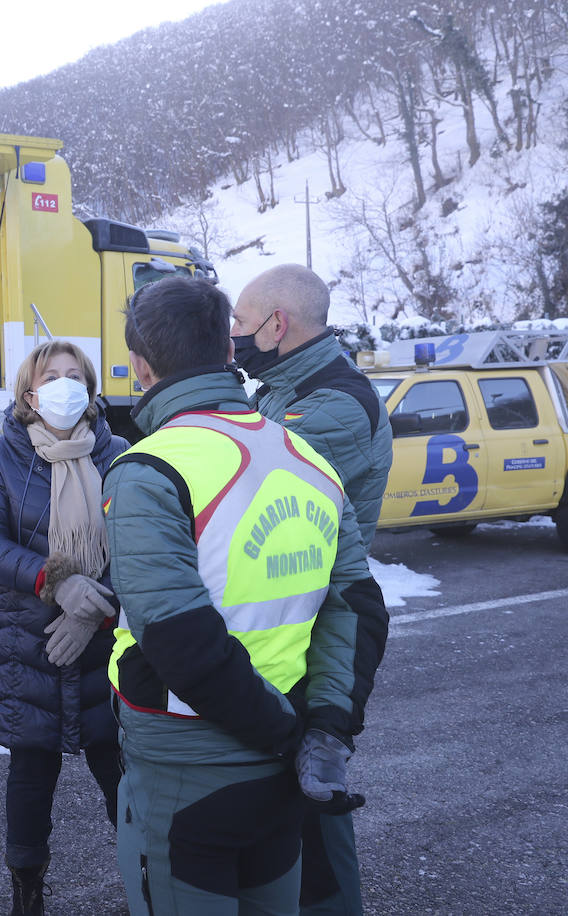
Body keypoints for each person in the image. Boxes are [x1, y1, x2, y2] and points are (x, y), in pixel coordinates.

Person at [103, 276, 363, 915]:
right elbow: (354, 607)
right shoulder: (302, 452)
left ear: (141, 366)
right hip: (283, 764)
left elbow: (177, 637)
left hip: (187, 764)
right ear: (227, 350)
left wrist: (287, 734)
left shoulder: (149, 468)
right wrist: (321, 730)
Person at [233, 264, 393, 915]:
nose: (234, 337)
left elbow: (244, 473)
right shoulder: (282, 388)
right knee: (280, 804)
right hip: (283, 613)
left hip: (316, 624)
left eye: (240, 324)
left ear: (278, 324)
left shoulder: (335, 404)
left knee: (314, 821)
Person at [0, 340, 126, 914]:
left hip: (105, 640)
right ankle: (26, 886)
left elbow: (140, 546)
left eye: (73, 375)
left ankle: (145, 875)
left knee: (120, 769)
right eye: (49, 376)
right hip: (26, 639)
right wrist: (58, 583)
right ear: (28, 393)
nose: (63, 385)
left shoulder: (121, 453)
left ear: (90, 387)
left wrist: (95, 607)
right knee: (31, 771)